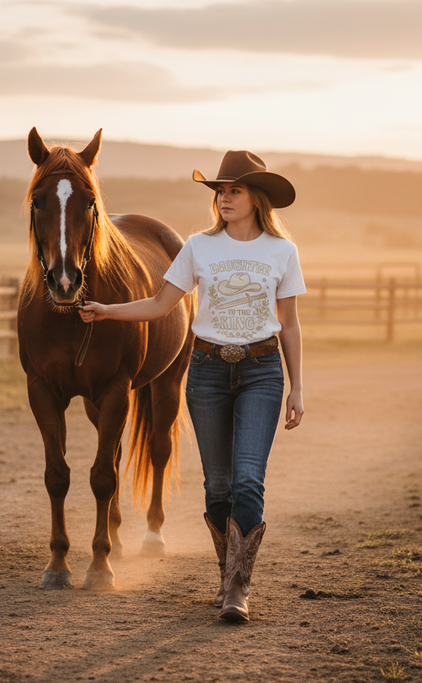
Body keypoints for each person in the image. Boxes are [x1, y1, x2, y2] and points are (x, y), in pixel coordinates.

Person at [80, 150, 305, 622]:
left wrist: (296, 387)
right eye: (219, 191)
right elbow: (163, 304)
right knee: (218, 485)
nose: (224, 198)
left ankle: (237, 589)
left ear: (256, 197)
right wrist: (108, 310)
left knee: (247, 480)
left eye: (234, 190)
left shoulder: (282, 252)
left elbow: (289, 323)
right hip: (206, 372)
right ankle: (226, 578)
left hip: (262, 371)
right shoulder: (199, 247)